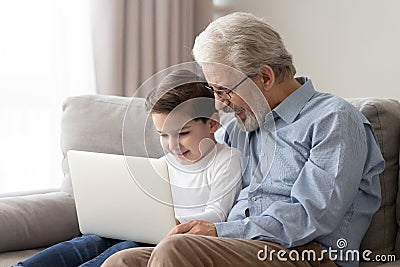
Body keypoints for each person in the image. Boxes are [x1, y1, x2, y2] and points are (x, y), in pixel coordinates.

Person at [102, 12, 385, 267]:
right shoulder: (239, 127)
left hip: (306, 255)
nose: (219, 104)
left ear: (264, 77)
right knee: (124, 260)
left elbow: (314, 217)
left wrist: (218, 231)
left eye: (224, 90)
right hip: (234, 246)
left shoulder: (333, 119)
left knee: (176, 250)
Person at [16, 70, 242, 267]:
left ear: (212, 124)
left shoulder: (227, 159)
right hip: (145, 229)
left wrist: (177, 222)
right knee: (89, 241)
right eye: (163, 135)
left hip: (176, 239)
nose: (172, 145)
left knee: (128, 246)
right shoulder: (166, 162)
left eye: (183, 133)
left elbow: (218, 213)